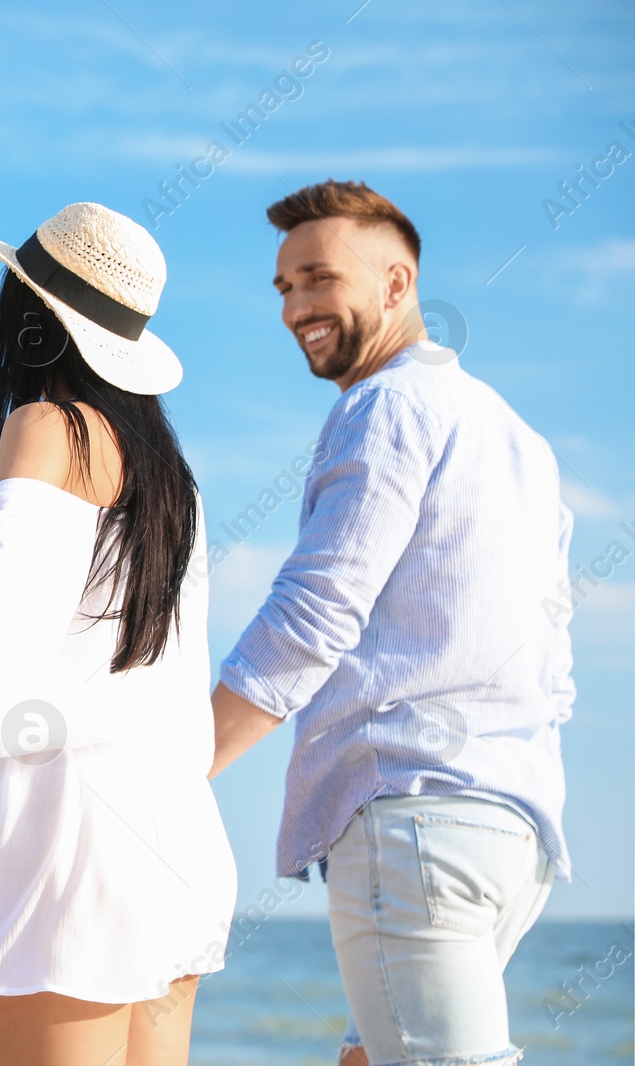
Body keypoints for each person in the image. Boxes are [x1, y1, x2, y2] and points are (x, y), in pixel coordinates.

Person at [209, 180, 573, 1066]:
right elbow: (554, 655)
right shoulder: (517, 435)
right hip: (511, 829)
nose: (298, 306)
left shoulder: (384, 407)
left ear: (398, 285)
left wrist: (183, 762)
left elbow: (316, 609)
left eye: (321, 279)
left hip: (416, 818)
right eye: (286, 286)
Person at [0, 202, 236, 1065]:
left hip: (72, 839)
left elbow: (15, 553)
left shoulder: (48, 425)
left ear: (30, 315)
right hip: (173, 829)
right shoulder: (174, 484)